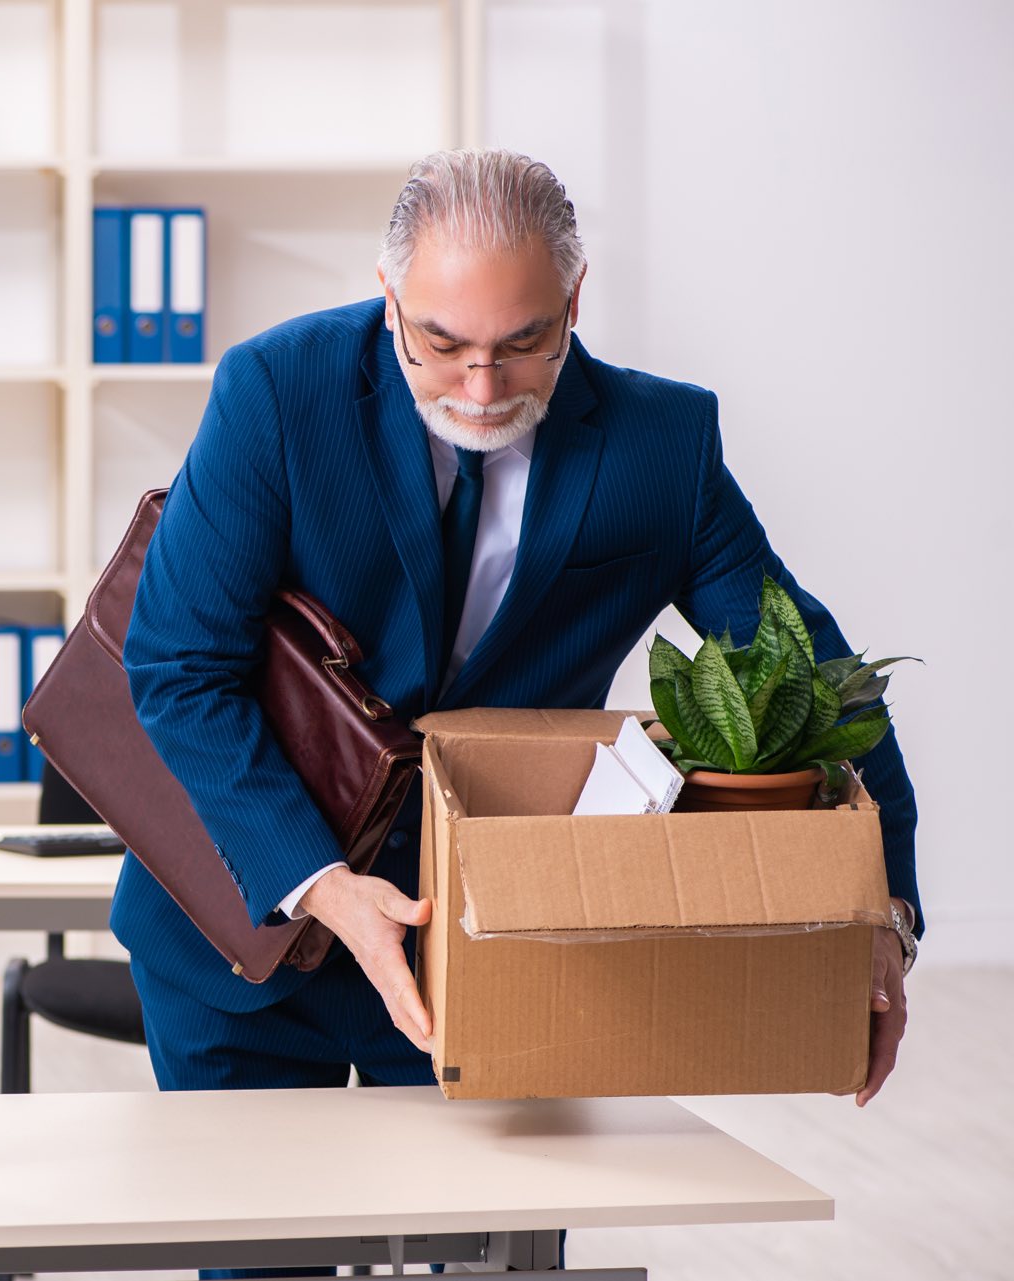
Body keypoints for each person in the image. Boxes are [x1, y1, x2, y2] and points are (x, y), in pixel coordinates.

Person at [119, 149, 921, 1117]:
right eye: (441, 341)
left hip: (504, 940)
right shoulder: (278, 391)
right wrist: (320, 883)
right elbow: (178, 668)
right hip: (245, 916)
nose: (483, 385)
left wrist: (884, 915)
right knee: (254, 1265)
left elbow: (814, 680)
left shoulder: (660, 443)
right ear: (388, 294)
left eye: (524, 341)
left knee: (498, 1258)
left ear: (576, 298)